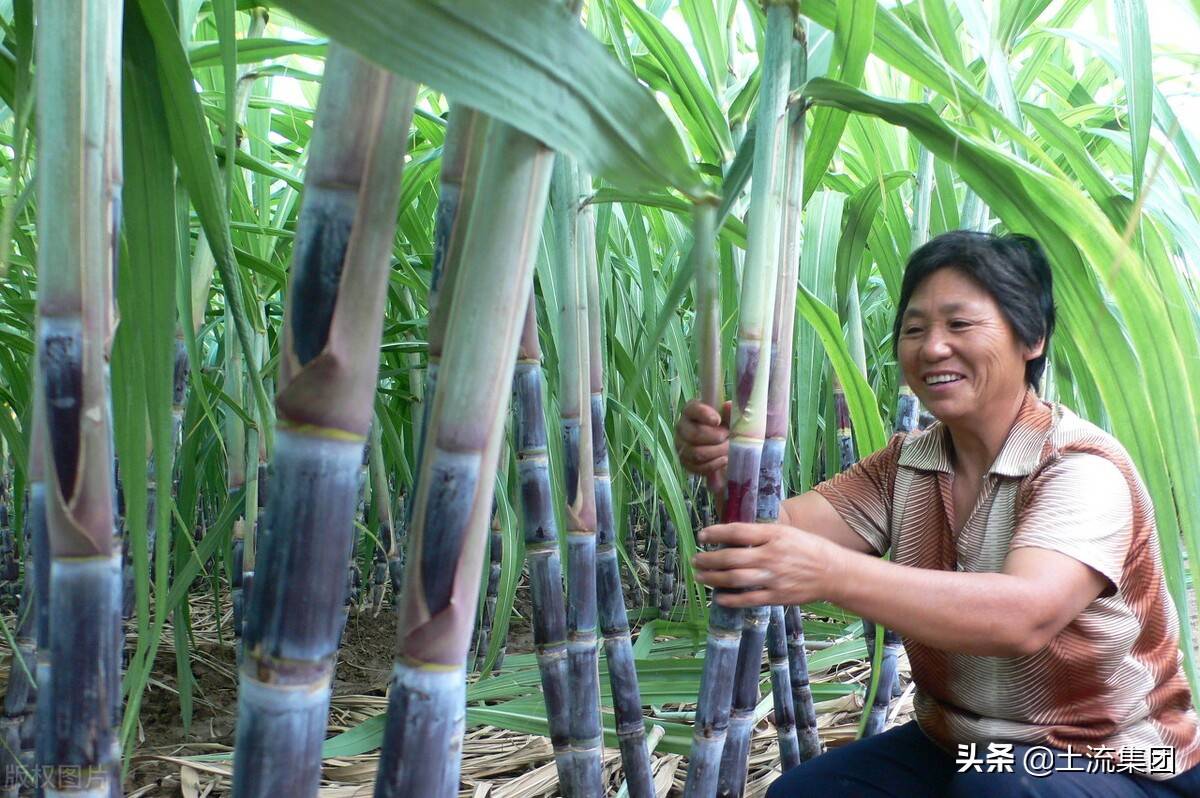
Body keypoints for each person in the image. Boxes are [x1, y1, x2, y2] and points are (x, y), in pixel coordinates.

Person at [674, 231, 1200, 796]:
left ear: (1033, 338)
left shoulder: (1079, 465)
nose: (931, 348)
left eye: (960, 324)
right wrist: (733, 469)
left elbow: (1022, 617)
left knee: (1002, 792)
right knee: (806, 792)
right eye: (915, 328)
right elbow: (781, 533)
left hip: (1119, 756)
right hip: (969, 749)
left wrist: (831, 573)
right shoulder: (909, 461)